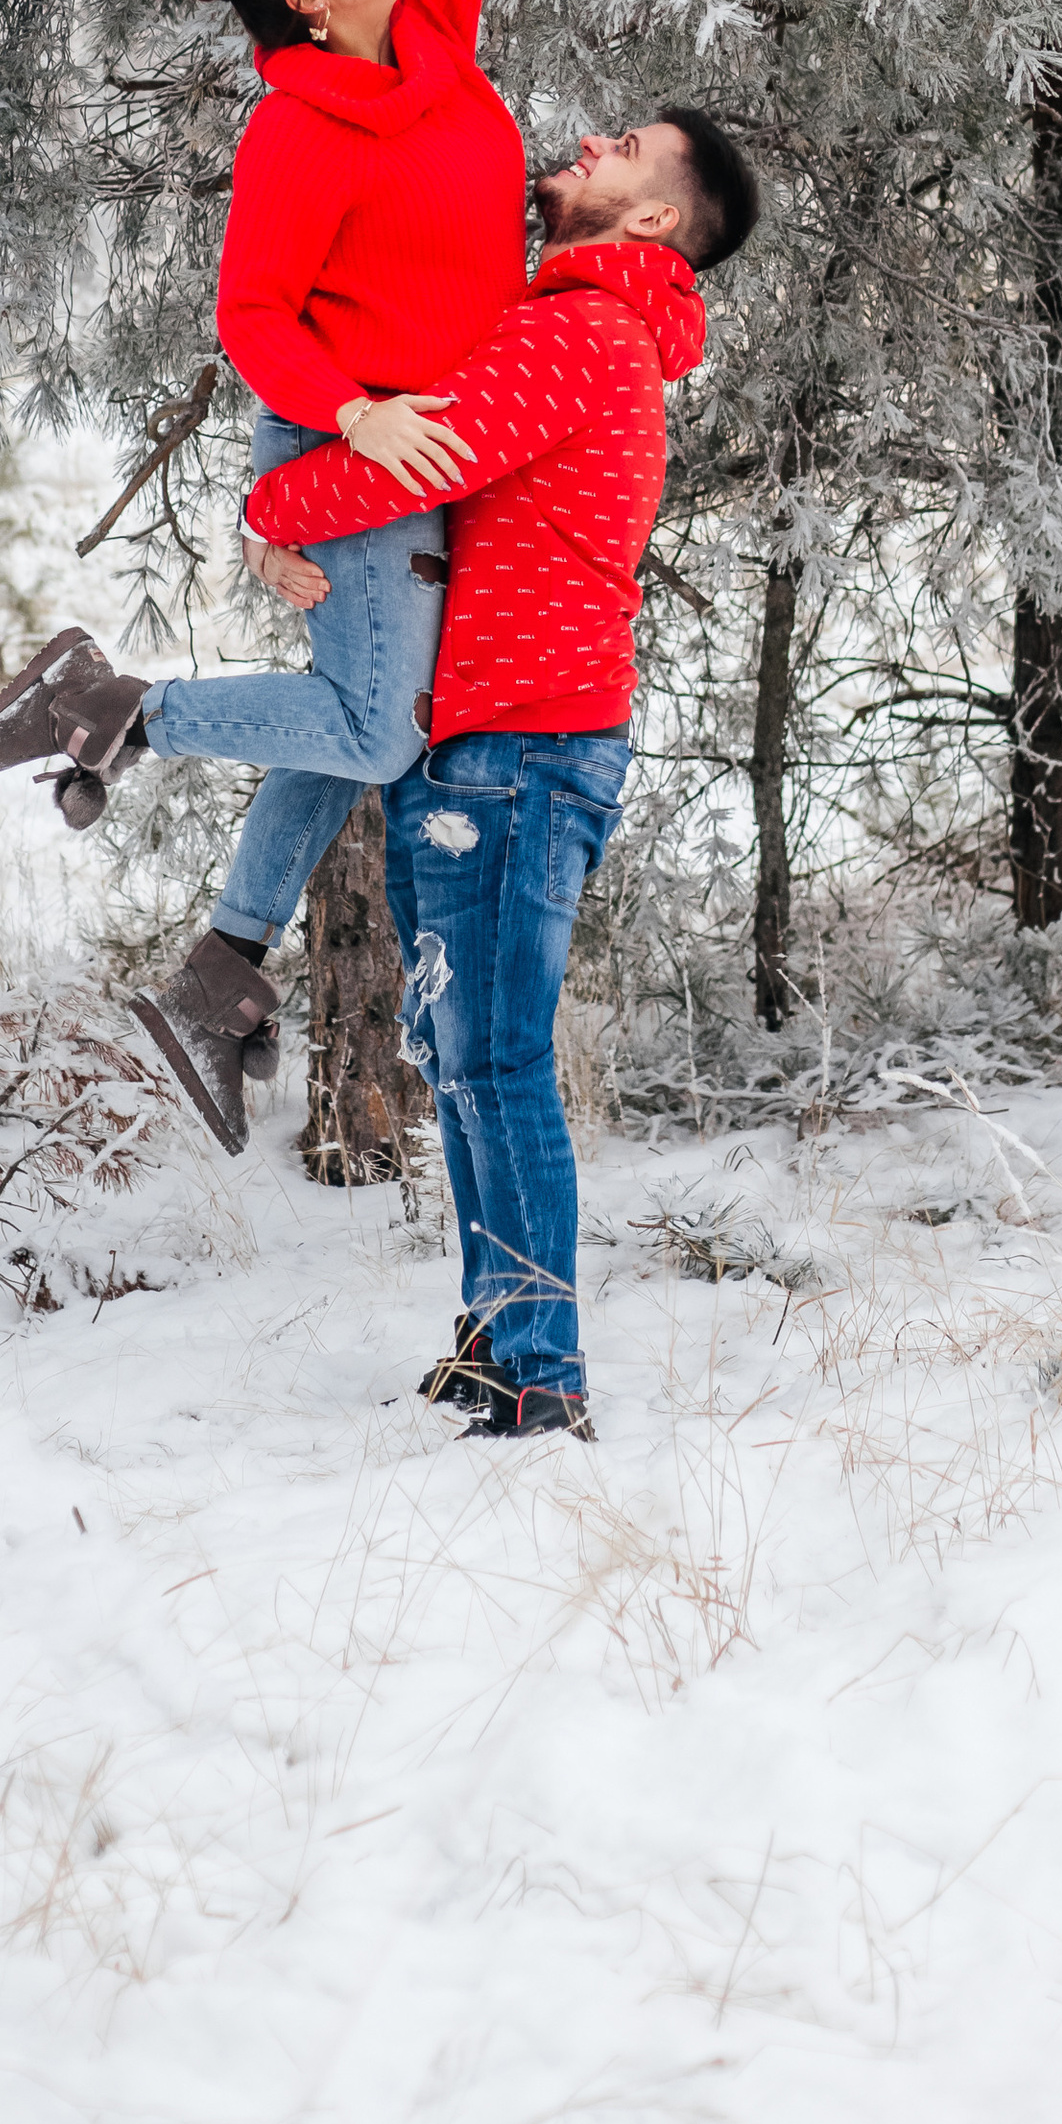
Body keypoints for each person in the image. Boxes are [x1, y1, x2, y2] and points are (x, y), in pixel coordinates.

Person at [0, 0, 524, 984]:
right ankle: (111, 704)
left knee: (361, 710)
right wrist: (356, 415)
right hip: (352, 441)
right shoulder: (301, 124)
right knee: (380, 729)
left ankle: (224, 965)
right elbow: (252, 317)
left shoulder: (436, 39)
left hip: (441, 440)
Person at [224, 107, 763, 1440]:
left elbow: (428, 454)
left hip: (520, 752)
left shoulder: (580, 334)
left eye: (626, 147)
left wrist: (271, 513)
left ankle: (540, 1378)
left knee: (498, 1064)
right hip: (491, 749)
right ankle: (498, 1337)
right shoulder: (571, 324)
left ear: (651, 216)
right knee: (465, 1059)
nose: (589, 143)